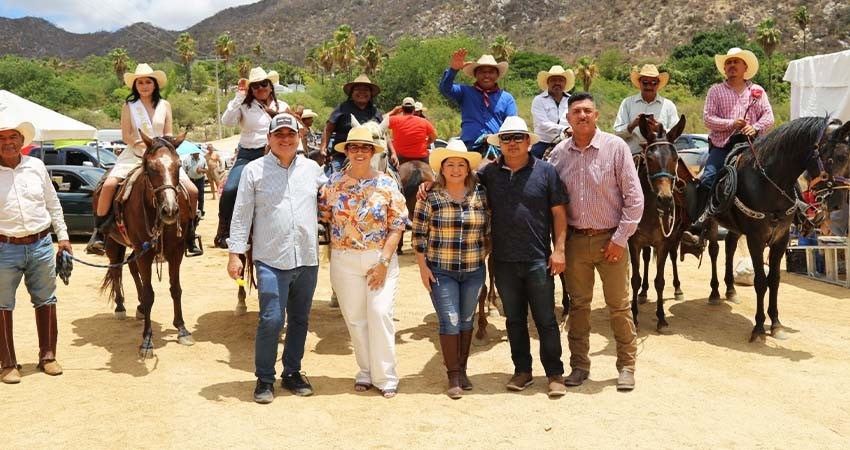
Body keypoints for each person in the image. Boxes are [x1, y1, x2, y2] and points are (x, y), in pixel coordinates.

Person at [227, 113, 328, 404]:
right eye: (279, 134)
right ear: (269, 139)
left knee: (300, 319)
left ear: (299, 138)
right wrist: (235, 253)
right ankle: (264, 378)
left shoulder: (312, 169)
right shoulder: (254, 171)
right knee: (272, 319)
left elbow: (336, 194)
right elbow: (242, 214)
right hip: (270, 257)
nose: (285, 139)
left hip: (307, 257)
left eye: (290, 134)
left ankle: (292, 372)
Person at [548, 92, 644, 391]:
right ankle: (579, 366)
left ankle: (626, 365)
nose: (582, 116)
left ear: (597, 115)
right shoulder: (558, 154)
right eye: (576, 111)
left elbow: (635, 198)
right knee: (578, 306)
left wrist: (620, 238)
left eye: (588, 110)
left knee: (619, 305)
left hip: (611, 238)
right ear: (568, 118)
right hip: (576, 240)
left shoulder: (615, 148)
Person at [480, 116, 568, 397]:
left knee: (545, 319)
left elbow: (559, 213)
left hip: (538, 258)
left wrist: (559, 250)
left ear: (529, 142)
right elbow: (456, 181)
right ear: (500, 144)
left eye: (518, 137)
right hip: (504, 260)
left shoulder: (546, 172)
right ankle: (522, 371)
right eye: (507, 138)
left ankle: (554, 373)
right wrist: (430, 184)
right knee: (514, 320)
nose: (513, 143)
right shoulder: (488, 174)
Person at [318, 127, 409, 399]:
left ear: (372, 152)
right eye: (354, 147)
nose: (359, 152)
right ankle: (366, 371)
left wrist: (383, 261)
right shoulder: (331, 185)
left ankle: (386, 376)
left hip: (379, 258)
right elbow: (323, 219)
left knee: (380, 314)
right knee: (356, 320)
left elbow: (397, 226)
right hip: (344, 259)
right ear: (346, 151)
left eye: (365, 148)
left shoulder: (387, 184)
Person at [86, 63, 201, 256]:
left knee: (192, 190)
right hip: (135, 152)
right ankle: (99, 232)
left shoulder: (165, 105)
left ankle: (189, 233)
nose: (144, 85)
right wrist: (141, 146)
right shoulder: (129, 106)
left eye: (148, 82)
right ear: (135, 85)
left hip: (161, 154)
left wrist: (164, 146)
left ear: (155, 84)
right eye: (140, 82)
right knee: (109, 185)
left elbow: (168, 132)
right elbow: (126, 135)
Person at [0, 113, 72, 384]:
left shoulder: (37, 166)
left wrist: (63, 238)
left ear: (21, 141)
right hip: (4, 246)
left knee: (46, 300)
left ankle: (48, 356)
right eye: (2, 138)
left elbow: (53, 203)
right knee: (2, 304)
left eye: (12, 137)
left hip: (41, 243)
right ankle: (7, 363)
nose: (8, 142)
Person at [412, 139, 487, 399]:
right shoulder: (430, 196)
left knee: (467, 319)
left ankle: (463, 369)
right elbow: (419, 236)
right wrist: (423, 268)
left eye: (461, 165)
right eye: (450, 165)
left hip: (474, 268)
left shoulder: (480, 194)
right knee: (450, 319)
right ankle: (453, 375)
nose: (455, 169)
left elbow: (488, 228)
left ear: (468, 169)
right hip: (441, 269)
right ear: (442, 169)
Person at [682, 48, 774, 246]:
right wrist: (731, 124)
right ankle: (699, 227)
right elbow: (708, 118)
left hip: (753, 146)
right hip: (723, 146)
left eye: (736, 62)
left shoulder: (757, 91)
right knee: (707, 179)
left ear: (745, 68)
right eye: (729, 62)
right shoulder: (715, 90)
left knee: (776, 174)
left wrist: (754, 127)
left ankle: (796, 216)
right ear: (725, 68)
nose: (732, 65)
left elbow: (769, 117)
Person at [216, 67, 292, 248]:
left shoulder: (283, 107)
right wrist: (239, 96)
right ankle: (224, 229)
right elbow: (226, 122)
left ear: (270, 85)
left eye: (263, 84)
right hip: (249, 155)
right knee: (230, 189)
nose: (260, 88)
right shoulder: (244, 106)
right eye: (255, 86)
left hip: (277, 156)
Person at [439, 49, 517, 152]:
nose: (486, 75)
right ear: (475, 74)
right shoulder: (465, 92)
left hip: (496, 147)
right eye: (482, 72)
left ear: (497, 75)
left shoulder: (507, 98)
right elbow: (445, 89)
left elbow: (512, 124)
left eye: (491, 72)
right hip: (469, 146)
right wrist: (453, 70)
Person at [319, 75, 397, 173]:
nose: (362, 92)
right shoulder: (341, 109)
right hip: (343, 155)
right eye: (358, 89)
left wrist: (393, 153)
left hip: (373, 155)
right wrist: (323, 148)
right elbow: (328, 129)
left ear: (371, 94)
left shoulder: (376, 112)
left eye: (366, 90)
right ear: (352, 93)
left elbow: (384, 133)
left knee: (395, 176)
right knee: (329, 179)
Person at [613, 64, 680, 154]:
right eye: (645, 83)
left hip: (660, 159)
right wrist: (633, 125)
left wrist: (660, 130)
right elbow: (617, 132)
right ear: (640, 83)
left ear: (658, 84)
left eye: (653, 83)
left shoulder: (668, 105)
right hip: (632, 156)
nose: (649, 87)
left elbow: (677, 135)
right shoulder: (627, 103)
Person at [530, 65, 575, 159]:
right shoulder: (539, 100)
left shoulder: (572, 100)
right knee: (535, 170)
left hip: (566, 143)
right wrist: (565, 129)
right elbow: (542, 123)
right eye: (553, 80)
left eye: (560, 80)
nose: (557, 83)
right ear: (548, 82)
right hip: (542, 144)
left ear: (565, 83)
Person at [383, 97, 437, 165]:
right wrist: (425, 143)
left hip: (399, 156)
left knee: (388, 170)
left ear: (402, 109)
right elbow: (434, 137)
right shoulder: (424, 122)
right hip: (421, 157)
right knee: (433, 171)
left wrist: (393, 111)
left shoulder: (394, 120)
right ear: (414, 110)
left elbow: (379, 120)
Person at [182, 148, 207, 220]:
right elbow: (184, 171)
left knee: (201, 197)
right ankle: (192, 213)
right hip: (191, 180)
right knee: (191, 197)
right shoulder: (187, 160)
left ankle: (201, 212)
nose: (197, 155)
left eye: (198, 154)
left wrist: (201, 170)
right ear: (192, 153)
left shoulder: (203, 159)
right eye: (195, 154)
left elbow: (207, 170)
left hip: (200, 180)